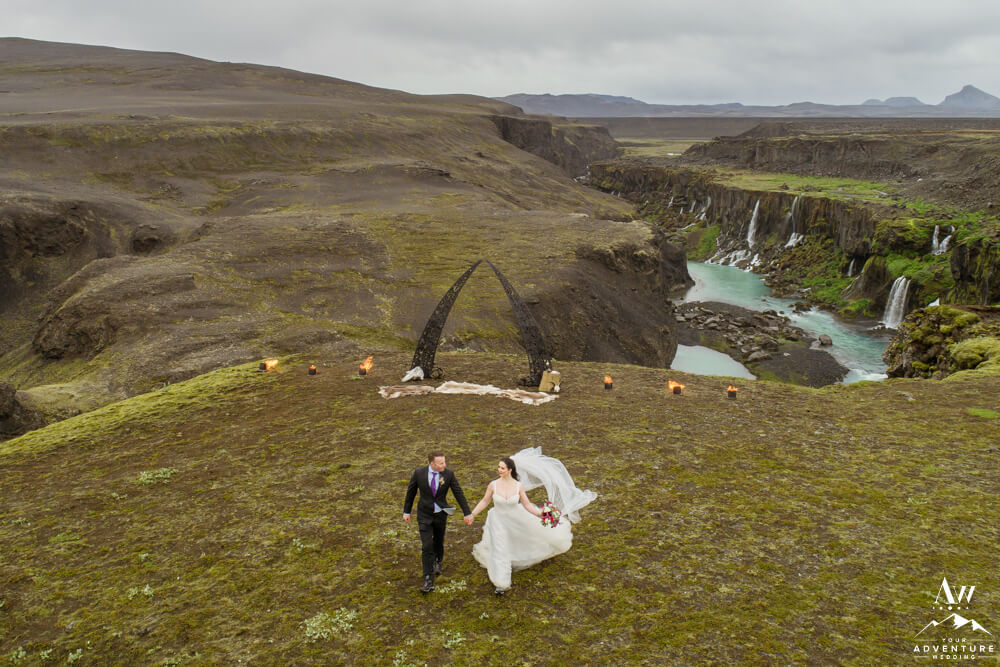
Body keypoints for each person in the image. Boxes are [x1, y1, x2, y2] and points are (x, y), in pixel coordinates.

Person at [469, 447, 596, 595]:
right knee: (499, 548)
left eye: (502, 468)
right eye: (498, 467)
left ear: (510, 470)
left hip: (515, 518)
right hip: (498, 520)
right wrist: (473, 514)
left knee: (525, 539)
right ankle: (501, 583)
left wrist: (542, 514)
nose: (499, 470)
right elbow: (485, 501)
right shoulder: (493, 485)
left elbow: (527, 505)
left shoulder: (518, 486)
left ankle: (515, 559)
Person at [403, 451, 473, 593]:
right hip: (424, 514)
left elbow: (458, 492)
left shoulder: (448, 474)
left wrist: (467, 512)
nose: (444, 465)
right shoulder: (419, 473)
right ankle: (428, 579)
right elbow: (411, 492)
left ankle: (437, 561)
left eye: (444, 462)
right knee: (427, 545)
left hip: (441, 514)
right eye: (440, 463)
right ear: (432, 464)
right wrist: (406, 511)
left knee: (438, 540)